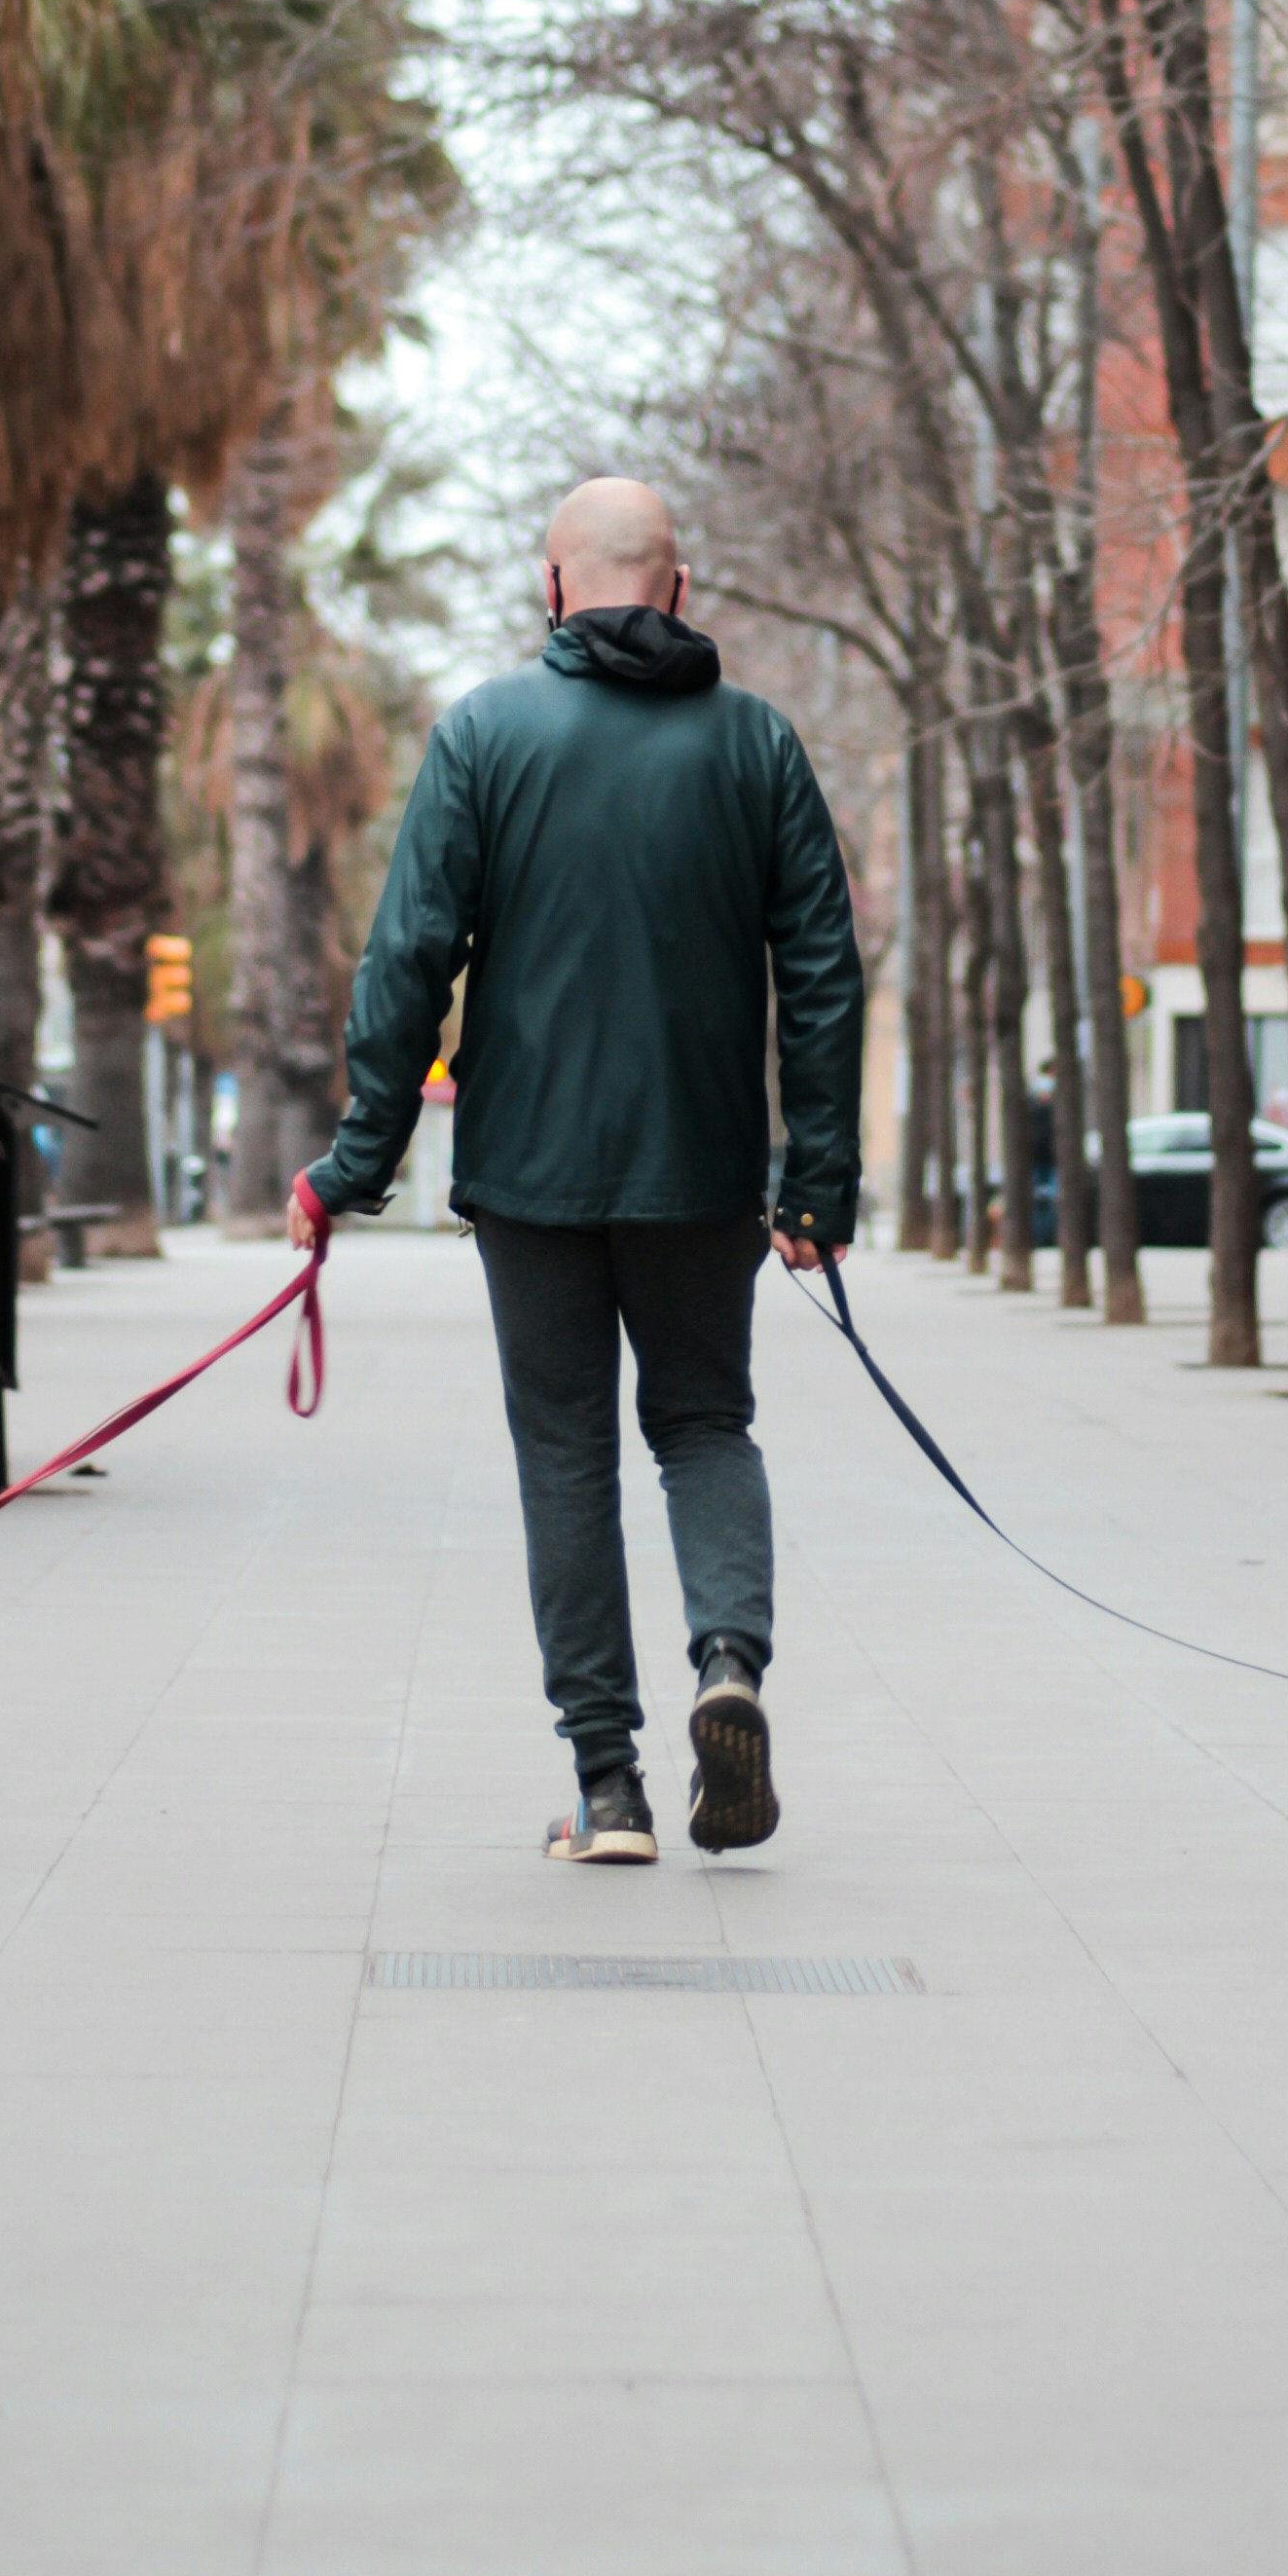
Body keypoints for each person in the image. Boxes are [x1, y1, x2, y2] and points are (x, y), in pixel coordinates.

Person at [291, 477, 865, 1864]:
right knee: (705, 1427)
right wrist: (815, 1187)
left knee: (566, 1460)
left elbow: (405, 962)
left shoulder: (487, 734)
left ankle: (608, 1791)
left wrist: (356, 1163)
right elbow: (825, 979)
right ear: (680, 587)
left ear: (552, 587)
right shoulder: (758, 746)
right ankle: (728, 1661)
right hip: (704, 1175)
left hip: (531, 1181)